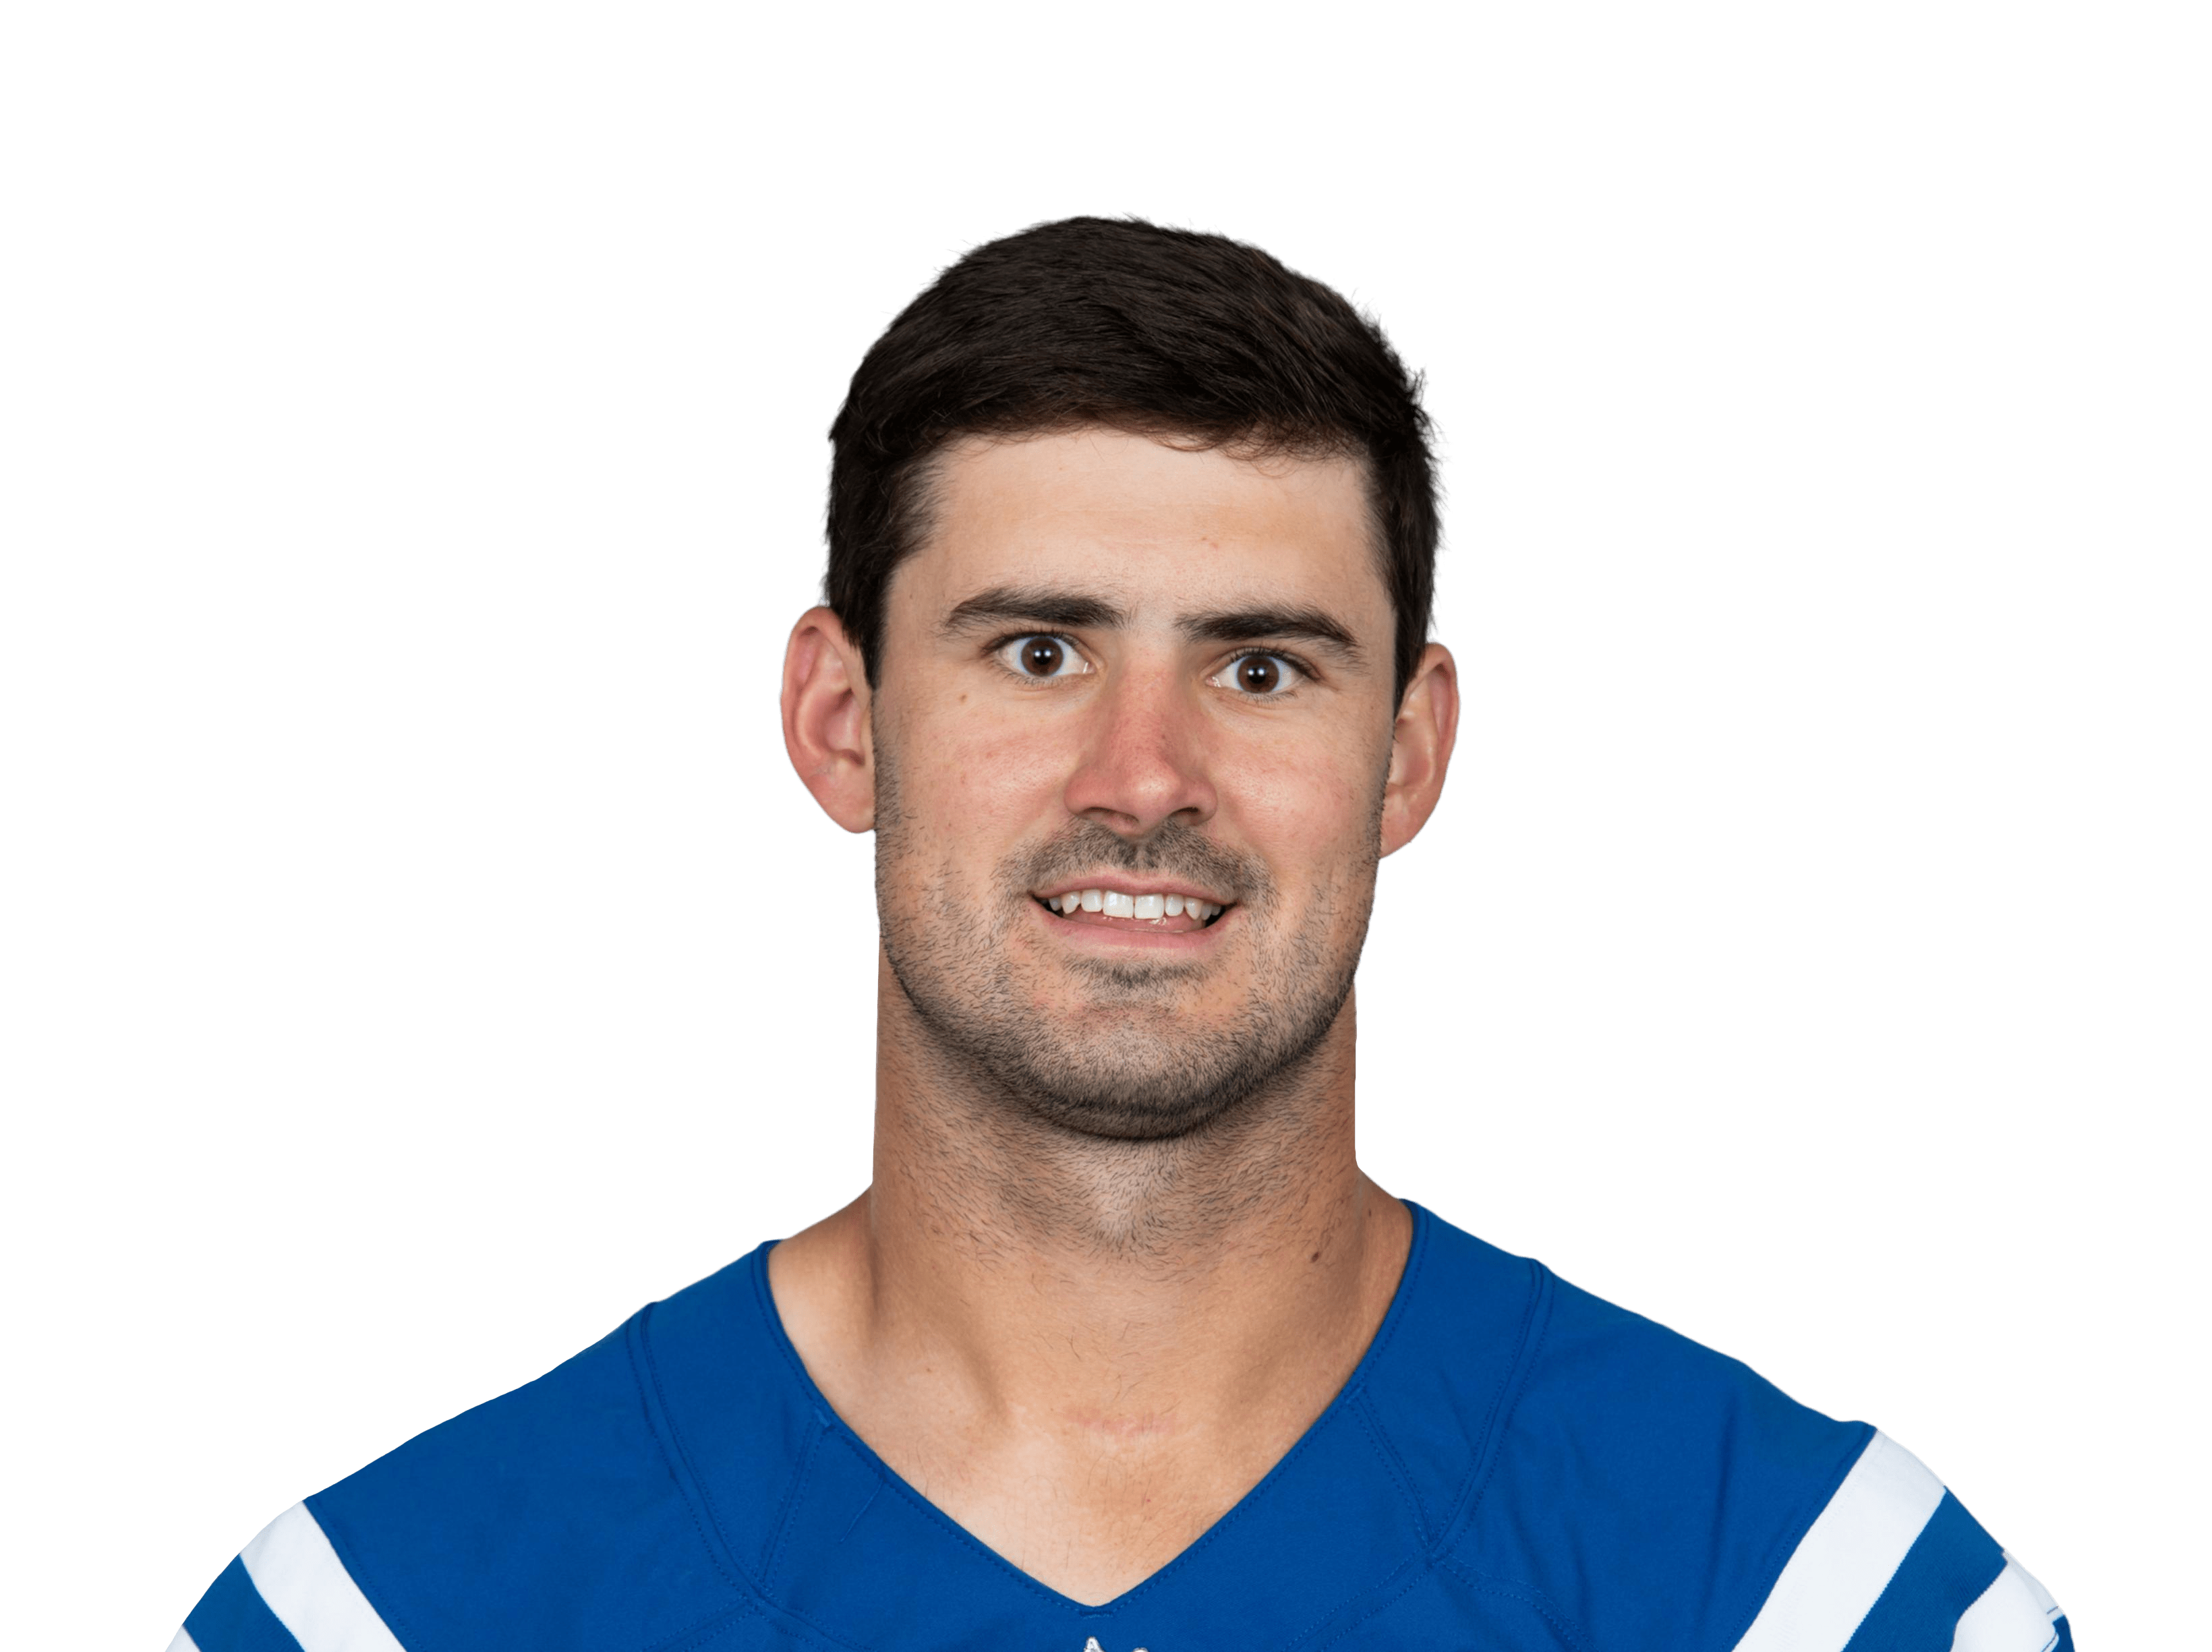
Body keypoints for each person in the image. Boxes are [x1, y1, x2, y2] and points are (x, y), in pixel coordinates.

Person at [169, 214, 2072, 1652]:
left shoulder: (1794, 1594)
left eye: (1261, 666)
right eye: (1037, 651)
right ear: (842, 720)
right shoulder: (402, 1613)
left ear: (1408, 754)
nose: (1144, 776)